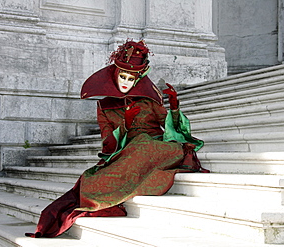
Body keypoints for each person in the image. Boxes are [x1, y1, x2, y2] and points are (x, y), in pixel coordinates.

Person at [25, 40, 208, 238]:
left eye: (131, 78)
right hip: (126, 153)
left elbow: (175, 131)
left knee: (142, 145)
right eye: (123, 76)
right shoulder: (104, 107)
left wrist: (174, 107)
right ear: (115, 73)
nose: (125, 82)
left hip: (158, 148)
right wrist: (125, 127)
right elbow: (108, 145)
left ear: (138, 79)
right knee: (90, 178)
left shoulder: (149, 100)